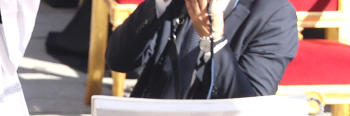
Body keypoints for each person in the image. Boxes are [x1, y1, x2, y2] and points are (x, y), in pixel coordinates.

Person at [106, 0, 297, 99]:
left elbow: (250, 105)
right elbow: (118, 60)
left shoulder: (274, 14)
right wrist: (158, 6)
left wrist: (213, 42)